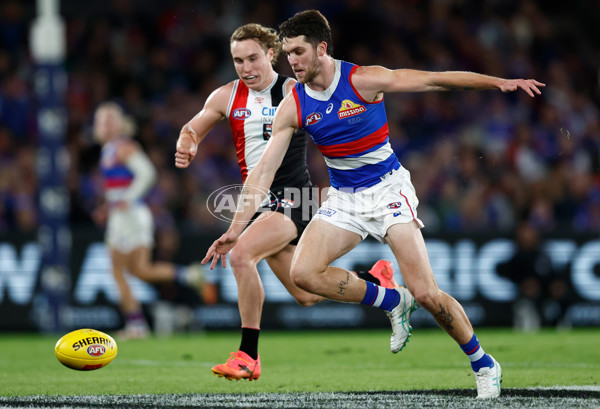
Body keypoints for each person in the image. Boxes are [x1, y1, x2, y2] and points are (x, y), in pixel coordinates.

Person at [202, 10, 545, 398]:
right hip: (344, 198)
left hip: (388, 192)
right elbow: (262, 173)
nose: (292, 61)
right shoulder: (293, 103)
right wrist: (234, 229)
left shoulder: (362, 79)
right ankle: (392, 299)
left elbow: (433, 81)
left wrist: (498, 82)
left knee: (428, 293)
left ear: (322, 48)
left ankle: (484, 362)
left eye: (298, 52)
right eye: (288, 54)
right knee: (304, 275)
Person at [174, 23, 394, 381]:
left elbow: (333, 106)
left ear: (271, 55)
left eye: (253, 58)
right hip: (259, 203)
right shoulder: (225, 97)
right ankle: (374, 279)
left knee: (242, 254)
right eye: (238, 60)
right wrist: (188, 141)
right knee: (306, 294)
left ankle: (248, 356)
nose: (246, 68)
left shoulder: (294, 90)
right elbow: (193, 126)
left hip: (295, 197)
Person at [93, 102, 214, 340]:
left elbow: (147, 173)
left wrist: (125, 199)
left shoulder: (122, 147)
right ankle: (187, 276)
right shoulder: (110, 149)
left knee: (118, 271)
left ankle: (136, 325)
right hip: (128, 216)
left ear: (119, 124)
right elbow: (120, 185)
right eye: (102, 120)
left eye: (110, 120)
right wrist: (108, 206)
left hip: (129, 217)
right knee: (140, 269)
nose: (105, 125)